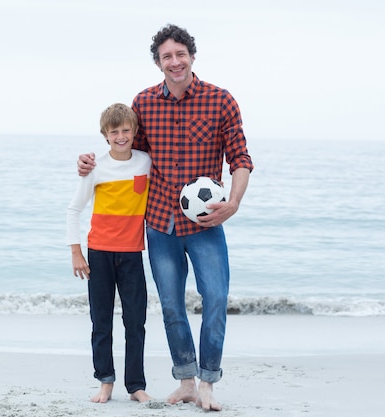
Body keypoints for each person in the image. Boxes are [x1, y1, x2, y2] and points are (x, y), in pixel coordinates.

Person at [77, 24, 254, 411]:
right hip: (159, 224)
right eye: (166, 57)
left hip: (206, 224)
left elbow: (240, 159)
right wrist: (90, 162)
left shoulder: (221, 100)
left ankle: (208, 381)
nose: (174, 62)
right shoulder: (143, 103)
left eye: (180, 54)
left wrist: (234, 202)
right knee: (172, 307)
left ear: (191, 55)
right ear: (158, 63)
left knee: (216, 298)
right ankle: (186, 380)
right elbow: (125, 155)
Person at [67, 103, 153, 404]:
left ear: (135, 132)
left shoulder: (146, 162)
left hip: (131, 255)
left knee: (135, 322)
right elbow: (74, 210)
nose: (121, 136)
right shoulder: (96, 167)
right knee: (101, 321)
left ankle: (135, 385)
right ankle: (105, 381)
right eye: (114, 131)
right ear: (105, 135)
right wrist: (77, 253)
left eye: (126, 130)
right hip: (100, 254)